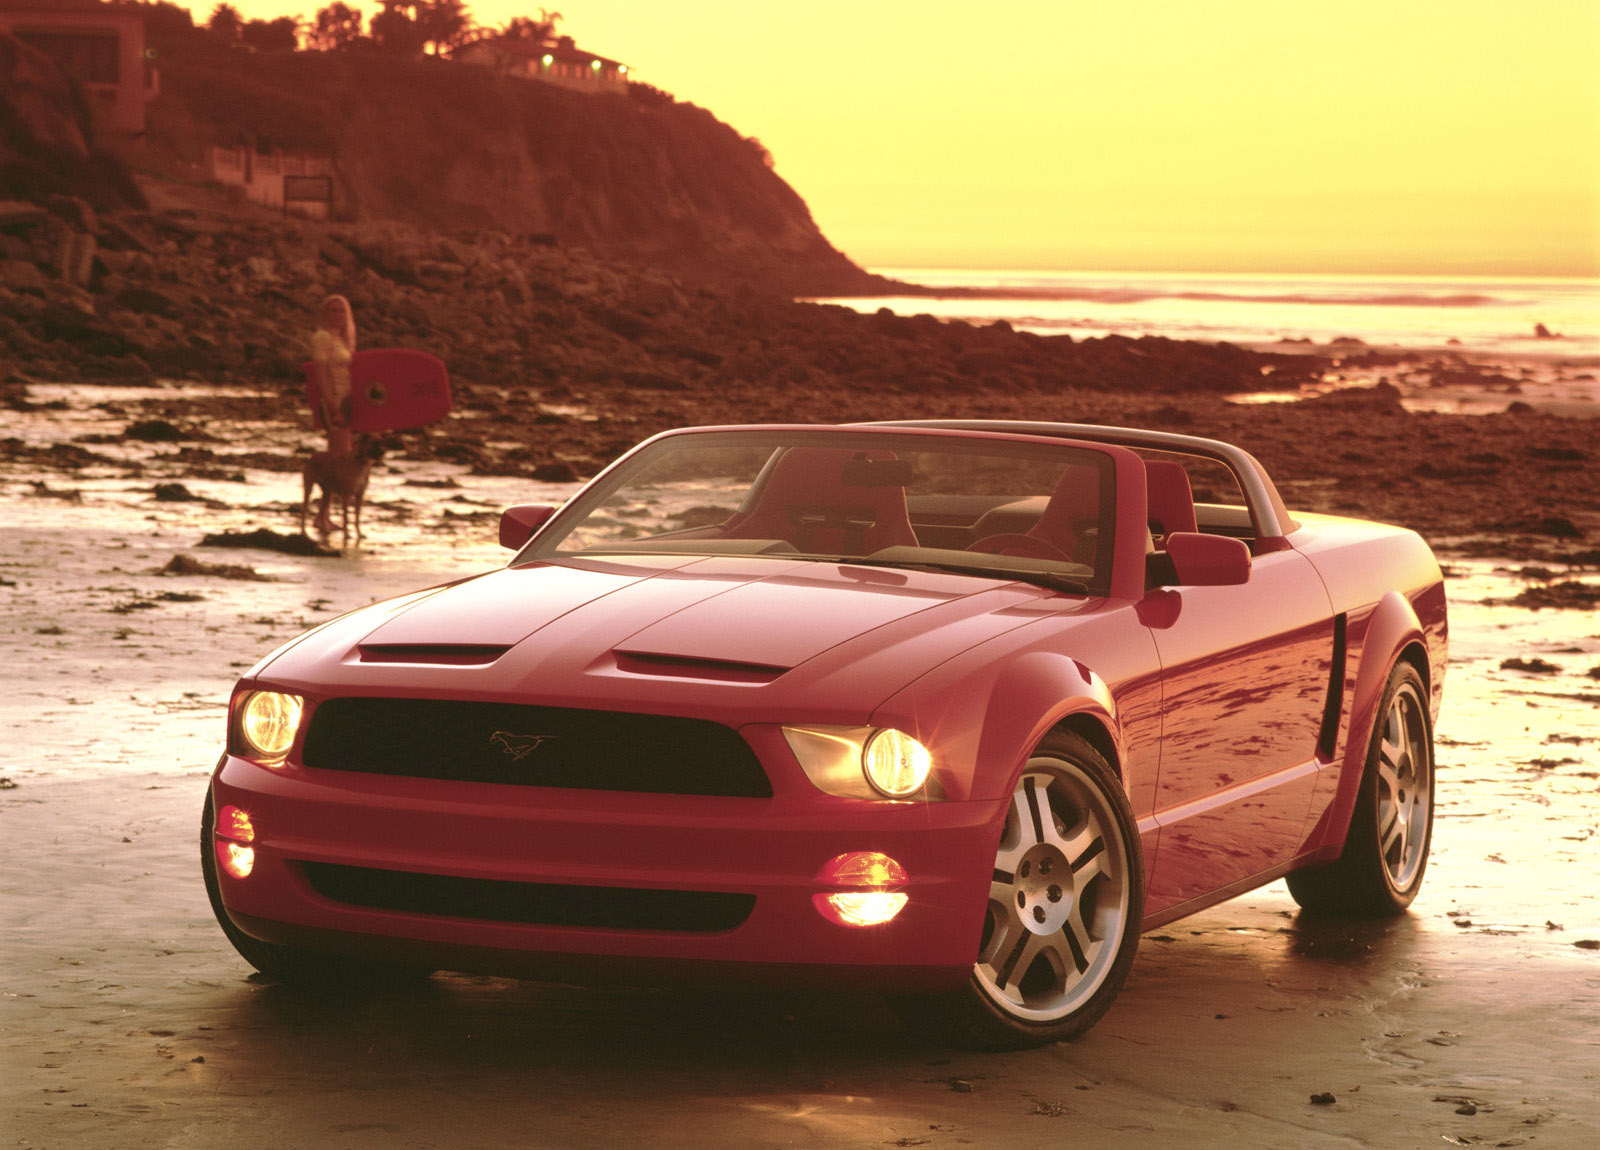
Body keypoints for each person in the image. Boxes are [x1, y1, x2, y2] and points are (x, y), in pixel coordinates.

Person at [308, 294, 357, 534]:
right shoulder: (323, 337)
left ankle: (323, 515)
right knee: (338, 461)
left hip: (345, 403)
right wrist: (331, 404)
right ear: (325, 314)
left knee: (340, 459)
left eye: (342, 311)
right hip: (333, 403)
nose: (338, 315)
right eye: (334, 311)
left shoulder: (340, 339)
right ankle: (322, 516)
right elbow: (320, 373)